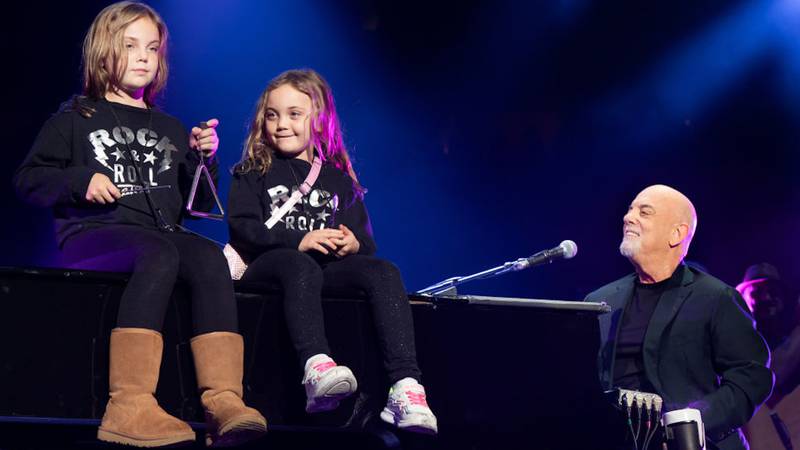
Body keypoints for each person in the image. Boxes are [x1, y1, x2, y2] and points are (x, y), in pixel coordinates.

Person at [13, 2, 266, 447]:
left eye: (152, 48)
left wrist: (202, 160)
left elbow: (196, 206)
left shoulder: (167, 125)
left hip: (158, 235)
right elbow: (28, 180)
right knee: (159, 252)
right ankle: (129, 404)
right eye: (131, 46)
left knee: (208, 255)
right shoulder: (75, 117)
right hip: (93, 237)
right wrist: (81, 180)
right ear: (104, 50)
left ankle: (223, 398)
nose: (144, 57)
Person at [227, 69, 437, 434]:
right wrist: (300, 241)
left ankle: (405, 387)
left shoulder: (338, 178)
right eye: (273, 115)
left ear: (319, 120)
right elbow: (242, 229)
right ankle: (316, 366)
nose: (281, 124)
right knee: (299, 263)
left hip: (321, 271)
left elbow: (366, 241)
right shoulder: (253, 170)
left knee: (384, 271)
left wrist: (354, 243)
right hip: (269, 266)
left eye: (294, 114)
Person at [584, 184, 772, 450]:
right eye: (629, 210)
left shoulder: (715, 297)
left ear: (677, 234)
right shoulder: (599, 301)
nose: (628, 217)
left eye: (644, 212)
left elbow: (753, 375)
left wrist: (695, 420)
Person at [737, 263, 800, 449]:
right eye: (757, 293)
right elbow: (773, 375)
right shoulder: (734, 341)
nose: (767, 298)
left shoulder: (789, 333)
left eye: (773, 291)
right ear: (742, 299)